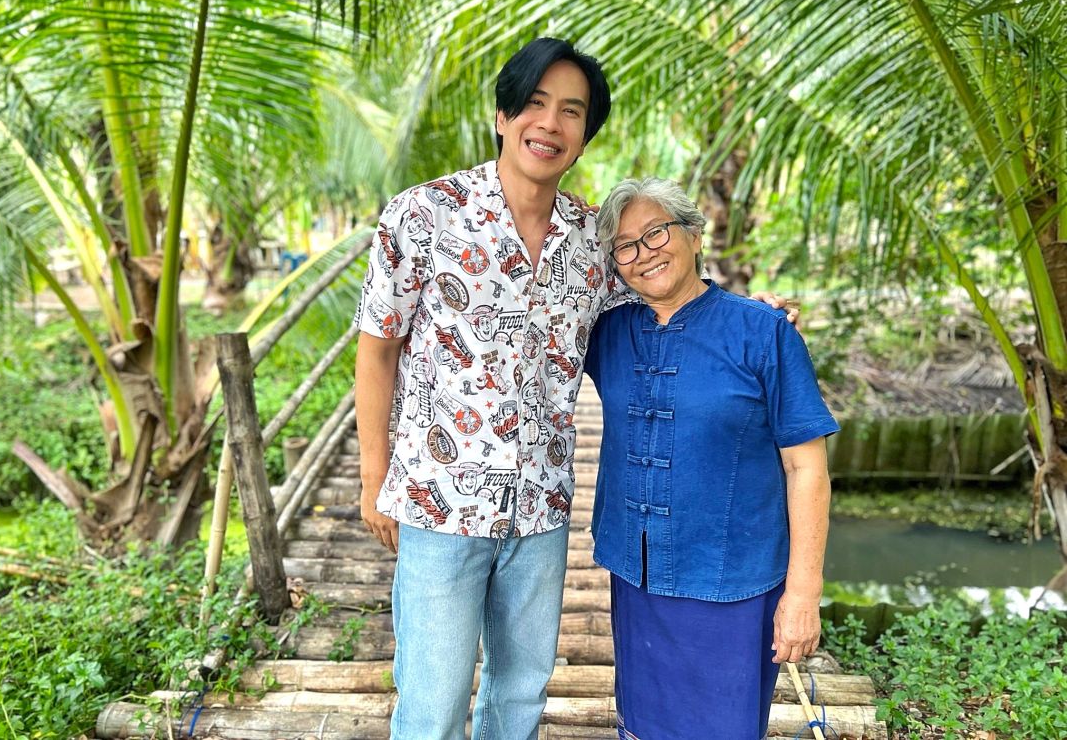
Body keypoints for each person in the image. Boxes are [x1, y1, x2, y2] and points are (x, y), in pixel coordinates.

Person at [353, 38, 796, 740]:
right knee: (432, 705)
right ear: (502, 116)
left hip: (541, 507)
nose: (550, 123)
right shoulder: (423, 215)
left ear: (585, 135)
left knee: (520, 696)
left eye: (571, 111)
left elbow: (666, 287)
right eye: (534, 104)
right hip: (439, 500)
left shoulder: (592, 239)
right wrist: (374, 476)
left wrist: (750, 312)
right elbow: (377, 348)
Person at [585, 176, 837, 740]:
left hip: (733, 579)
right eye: (624, 247)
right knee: (643, 724)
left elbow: (807, 468)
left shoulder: (763, 332)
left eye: (656, 233)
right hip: (638, 575)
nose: (644, 253)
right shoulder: (607, 333)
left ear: (695, 235)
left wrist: (803, 593)